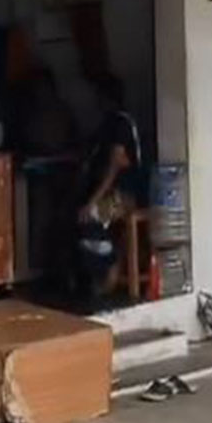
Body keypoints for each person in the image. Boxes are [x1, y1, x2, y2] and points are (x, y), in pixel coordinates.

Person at [73, 74, 143, 307]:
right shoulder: (108, 123)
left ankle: (111, 269)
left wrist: (93, 201)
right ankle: (94, 277)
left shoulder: (121, 123)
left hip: (124, 195)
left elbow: (114, 166)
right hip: (110, 192)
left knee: (89, 219)